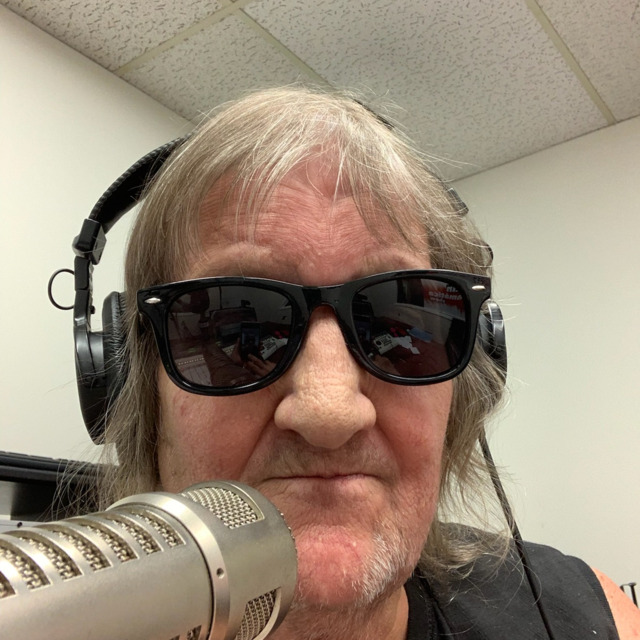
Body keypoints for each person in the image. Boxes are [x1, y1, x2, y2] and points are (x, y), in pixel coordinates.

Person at [97, 87, 640, 639]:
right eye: (238, 333)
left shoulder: (592, 615)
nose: (329, 414)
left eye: (396, 325)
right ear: (133, 385)